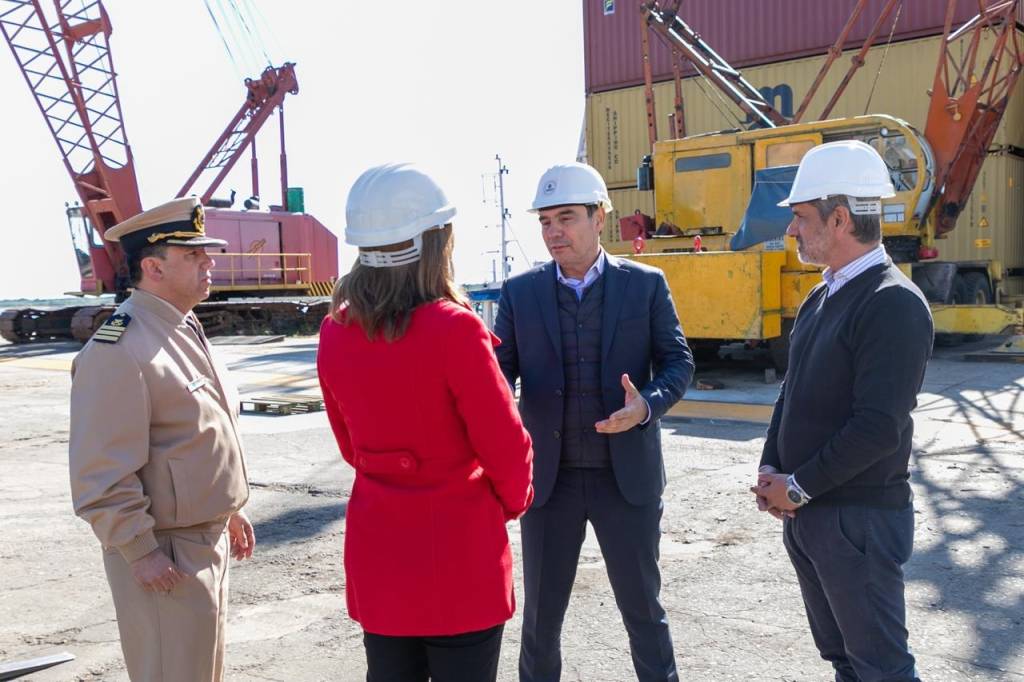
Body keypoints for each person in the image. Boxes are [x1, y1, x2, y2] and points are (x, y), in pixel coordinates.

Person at [316, 163, 534, 682]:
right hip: (461, 554)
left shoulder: (336, 330)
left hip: (380, 553)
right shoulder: (454, 328)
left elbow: (350, 445)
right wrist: (504, 505)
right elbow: (507, 447)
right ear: (434, 243)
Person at [494, 162, 694, 682]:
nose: (553, 232)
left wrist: (646, 406)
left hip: (625, 482)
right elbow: (497, 373)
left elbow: (678, 362)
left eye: (566, 218)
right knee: (540, 620)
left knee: (643, 611)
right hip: (550, 484)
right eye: (545, 221)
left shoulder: (645, 285)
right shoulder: (520, 293)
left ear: (599, 216)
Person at [751, 140, 933, 682]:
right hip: (812, 515)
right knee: (846, 664)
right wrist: (771, 469)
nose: (791, 230)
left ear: (839, 218)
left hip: (858, 522)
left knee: (882, 670)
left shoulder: (892, 303)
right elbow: (791, 394)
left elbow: (878, 428)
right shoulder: (822, 297)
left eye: (801, 217)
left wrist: (798, 486)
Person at [69, 196, 255, 682]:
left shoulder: (179, 325)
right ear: (153, 267)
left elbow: (195, 433)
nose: (208, 262)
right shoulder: (120, 347)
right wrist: (139, 550)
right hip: (165, 552)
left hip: (201, 540)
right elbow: (100, 471)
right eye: (193, 254)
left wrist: (229, 507)